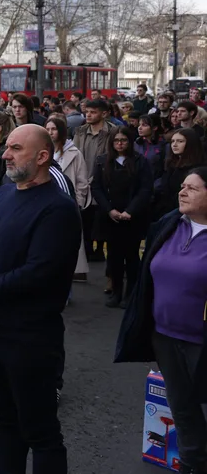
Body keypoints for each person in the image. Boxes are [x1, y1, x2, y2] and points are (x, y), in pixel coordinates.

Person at [0, 124, 82, 474]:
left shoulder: (58, 209)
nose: (5, 154)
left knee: (40, 433)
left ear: (42, 157)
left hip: (31, 339)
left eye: (15, 149)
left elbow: (37, 273)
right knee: (5, 424)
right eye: (6, 147)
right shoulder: (2, 194)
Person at [115, 166, 207, 474]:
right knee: (182, 406)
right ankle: (193, 463)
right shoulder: (169, 223)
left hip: (200, 339)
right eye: (182, 186)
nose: (182, 192)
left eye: (192, 188)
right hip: (165, 334)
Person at [92, 130, 153, 307]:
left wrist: (130, 211)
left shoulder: (141, 162)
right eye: (116, 141)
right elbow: (96, 187)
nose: (120, 144)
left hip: (133, 218)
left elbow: (145, 189)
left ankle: (131, 293)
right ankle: (116, 292)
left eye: (124, 140)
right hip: (111, 218)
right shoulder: (103, 161)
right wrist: (109, 210)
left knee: (132, 257)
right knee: (114, 257)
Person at [47, 115, 92, 282]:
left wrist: (78, 202)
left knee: (67, 244)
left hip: (68, 202)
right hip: (47, 203)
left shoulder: (74, 153)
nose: (50, 132)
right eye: (48, 129)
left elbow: (82, 181)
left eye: (54, 129)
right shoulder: (43, 151)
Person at [74, 98, 119, 262]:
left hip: (103, 180)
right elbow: (75, 154)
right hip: (83, 179)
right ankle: (86, 249)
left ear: (104, 113)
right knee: (85, 217)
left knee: (102, 215)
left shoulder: (113, 132)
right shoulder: (80, 131)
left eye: (93, 112)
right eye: (87, 112)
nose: (89, 115)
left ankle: (100, 248)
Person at [153, 128, 206, 220]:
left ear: (191, 143)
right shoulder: (171, 164)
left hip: (185, 215)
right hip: (164, 211)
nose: (174, 144)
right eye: (172, 141)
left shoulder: (199, 169)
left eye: (180, 141)